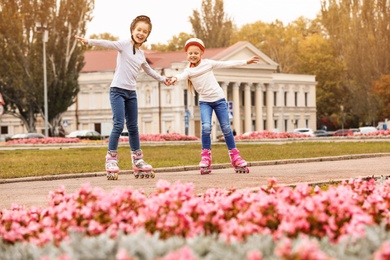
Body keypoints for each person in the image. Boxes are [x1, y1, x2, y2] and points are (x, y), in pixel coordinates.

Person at [75, 15, 171, 180]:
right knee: (119, 124)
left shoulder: (141, 55)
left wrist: (164, 79)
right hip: (117, 91)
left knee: (133, 127)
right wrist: (88, 41)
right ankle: (111, 159)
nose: (141, 33)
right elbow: (107, 43)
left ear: (147, 36)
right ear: (133, 30)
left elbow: (149, 70)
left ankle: (138, 160)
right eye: (138, 30)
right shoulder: (124, 45)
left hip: (131, 93)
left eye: (144, 31)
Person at [170, 38, 260, 174]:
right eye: (190, 53)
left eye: (196, 53)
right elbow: (181, 76)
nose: (193, 55)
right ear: (187, 55)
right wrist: (174, 79)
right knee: (206, 127)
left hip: (219, 100)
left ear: (201, 54)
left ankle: (235, 156)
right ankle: (206, 157)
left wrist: (245, 62)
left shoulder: (208, 64)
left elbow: (227, 64)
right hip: (204, 102)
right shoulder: (188, 70)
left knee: (226, 128)